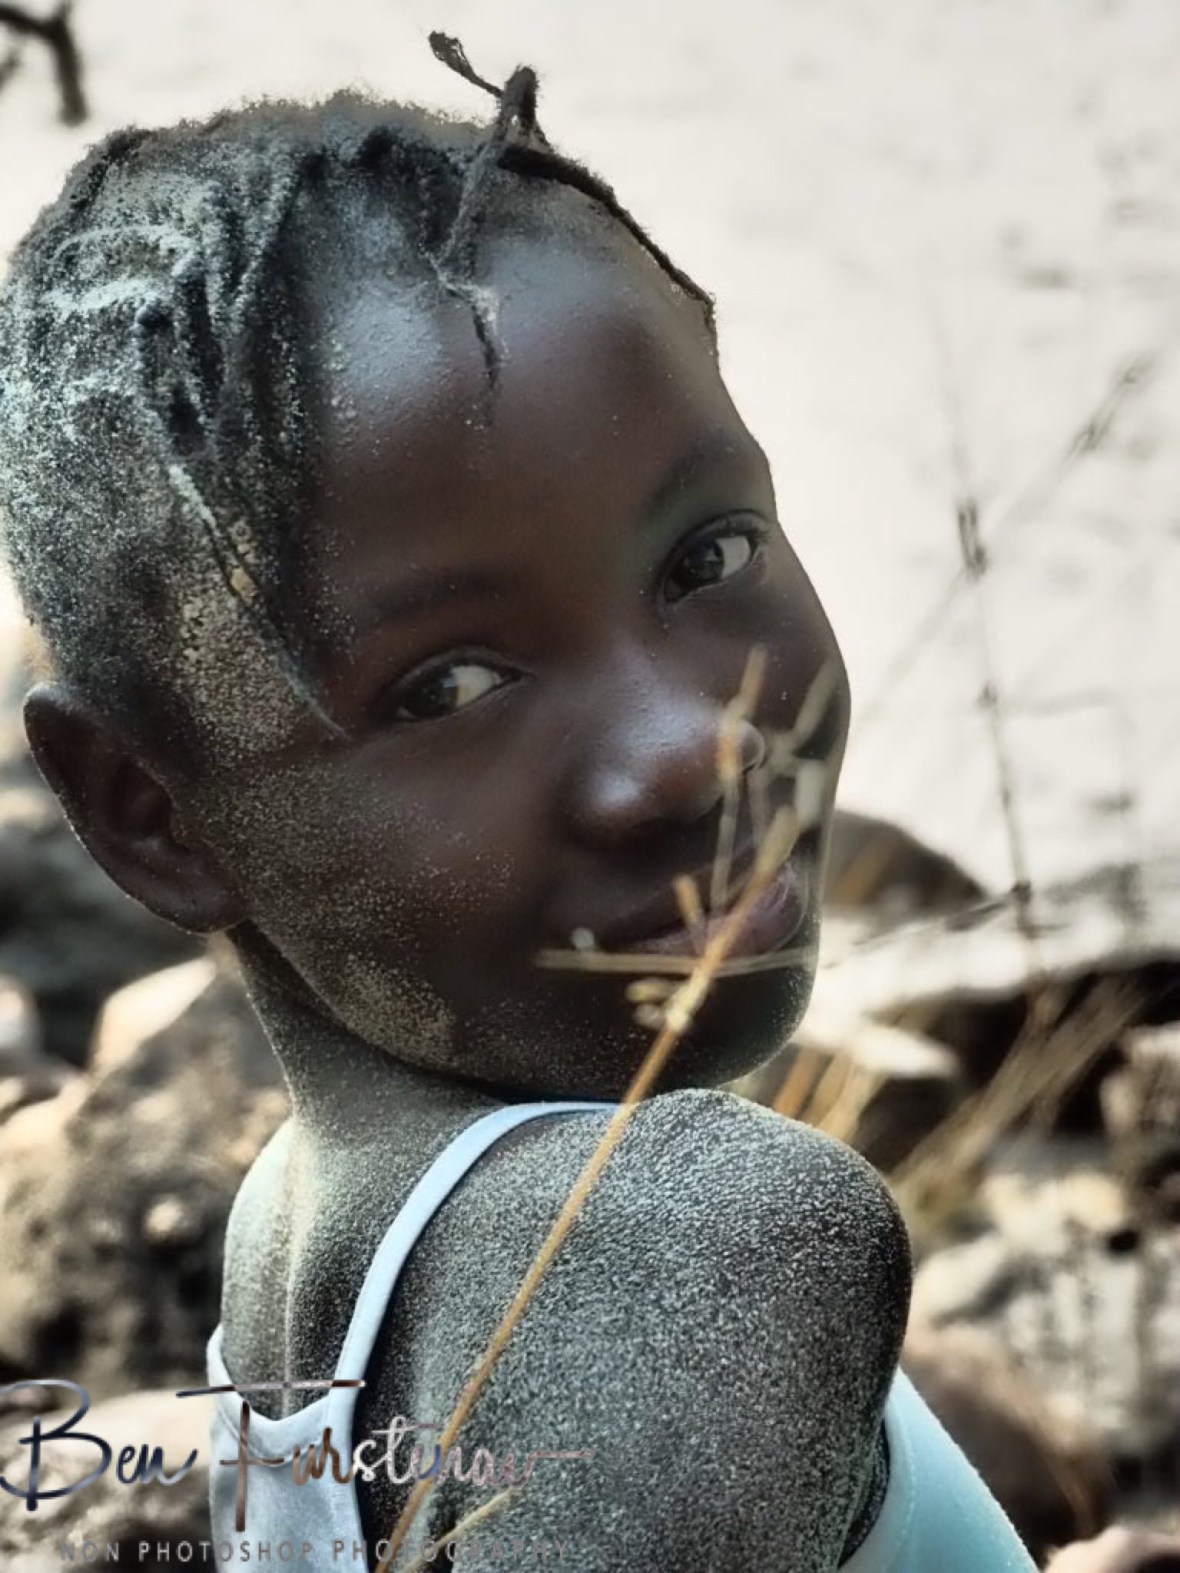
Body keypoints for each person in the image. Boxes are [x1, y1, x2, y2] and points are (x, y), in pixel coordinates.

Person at [0, 37, 1037, 1571]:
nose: (693, 748)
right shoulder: (708, 1247)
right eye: (452, 684)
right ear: (149, 811)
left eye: (708, 557)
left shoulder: (308, 1236)